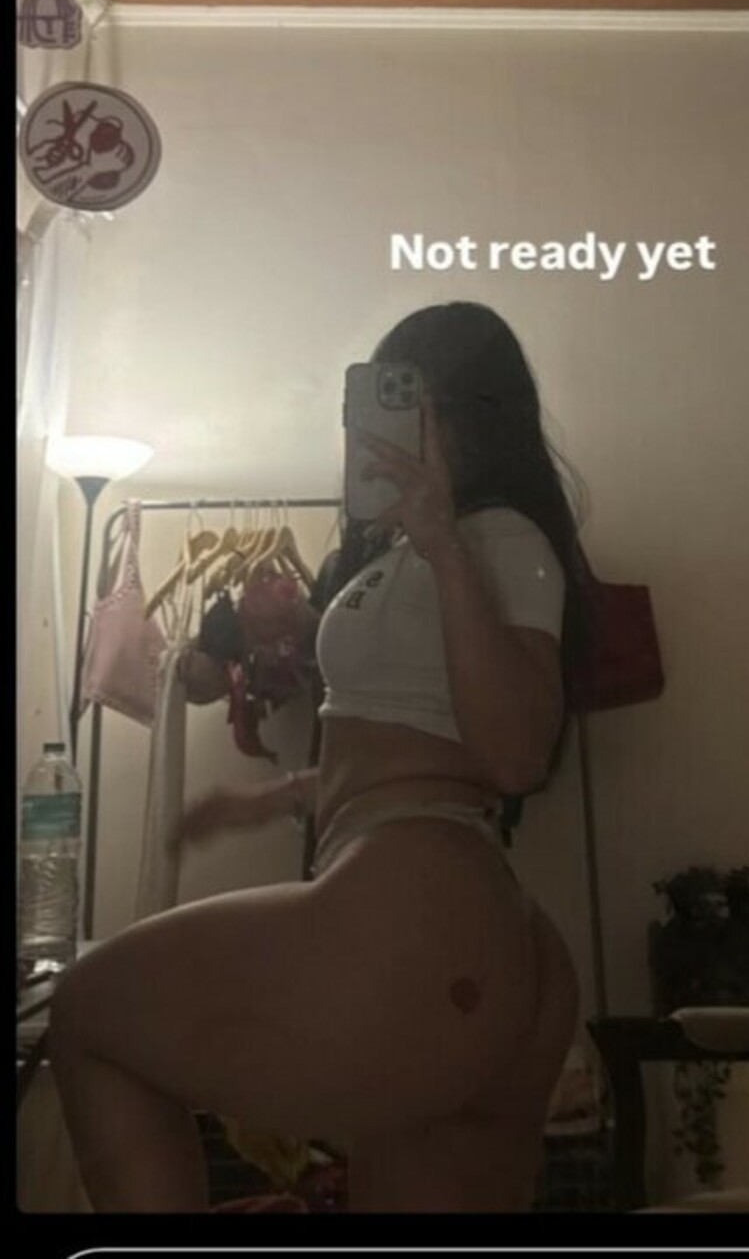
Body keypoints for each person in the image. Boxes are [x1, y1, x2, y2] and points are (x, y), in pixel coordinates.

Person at [49, 303, 585, 1212]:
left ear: (467, 415)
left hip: (418, 918)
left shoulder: (500, 541)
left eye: (411, 403)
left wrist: (443, 542)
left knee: (88, 1014)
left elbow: (515, 755)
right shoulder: (403, 553)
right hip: (452, 927)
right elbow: (414, 746)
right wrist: (272, 799)